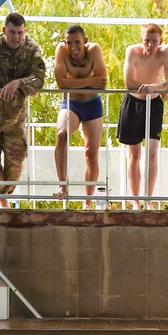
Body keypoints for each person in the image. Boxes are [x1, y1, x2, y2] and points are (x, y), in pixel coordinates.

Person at [0, 13, 46, 210]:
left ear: (25, 32)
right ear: (4, 31)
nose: (16, 37)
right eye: (12, 32)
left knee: (17, 158)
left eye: (20, 33)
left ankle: (5, 194)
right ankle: (0, 201)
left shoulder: (32, 49)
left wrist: (19, 83)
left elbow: (39, 79)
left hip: (14, 115)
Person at [117, 23, 168, 210]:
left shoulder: (165, 52)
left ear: (161, 41)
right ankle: (135, 200)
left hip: (154, 103)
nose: (150, 46)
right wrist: (155, 86)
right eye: (146, 42)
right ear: (141, 40)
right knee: (134, 154)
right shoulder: (132, 51)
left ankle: (148, 199)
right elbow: (129, 82)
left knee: (152, 152)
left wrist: (154, 88)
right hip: (133, 103)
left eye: (154, 42)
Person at [52, 24, 107, 207]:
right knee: (61, 134)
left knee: (91, 153)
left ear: (85, 41)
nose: (73, 48)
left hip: (92, 105)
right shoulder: (61, 50)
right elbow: (61, 83)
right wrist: (89, 81)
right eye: (69, 43)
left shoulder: (95, 50)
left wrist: (73, 83)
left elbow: (102, 84)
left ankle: (88, 201)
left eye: (77, 42)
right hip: (71, 104)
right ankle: (63, 187)